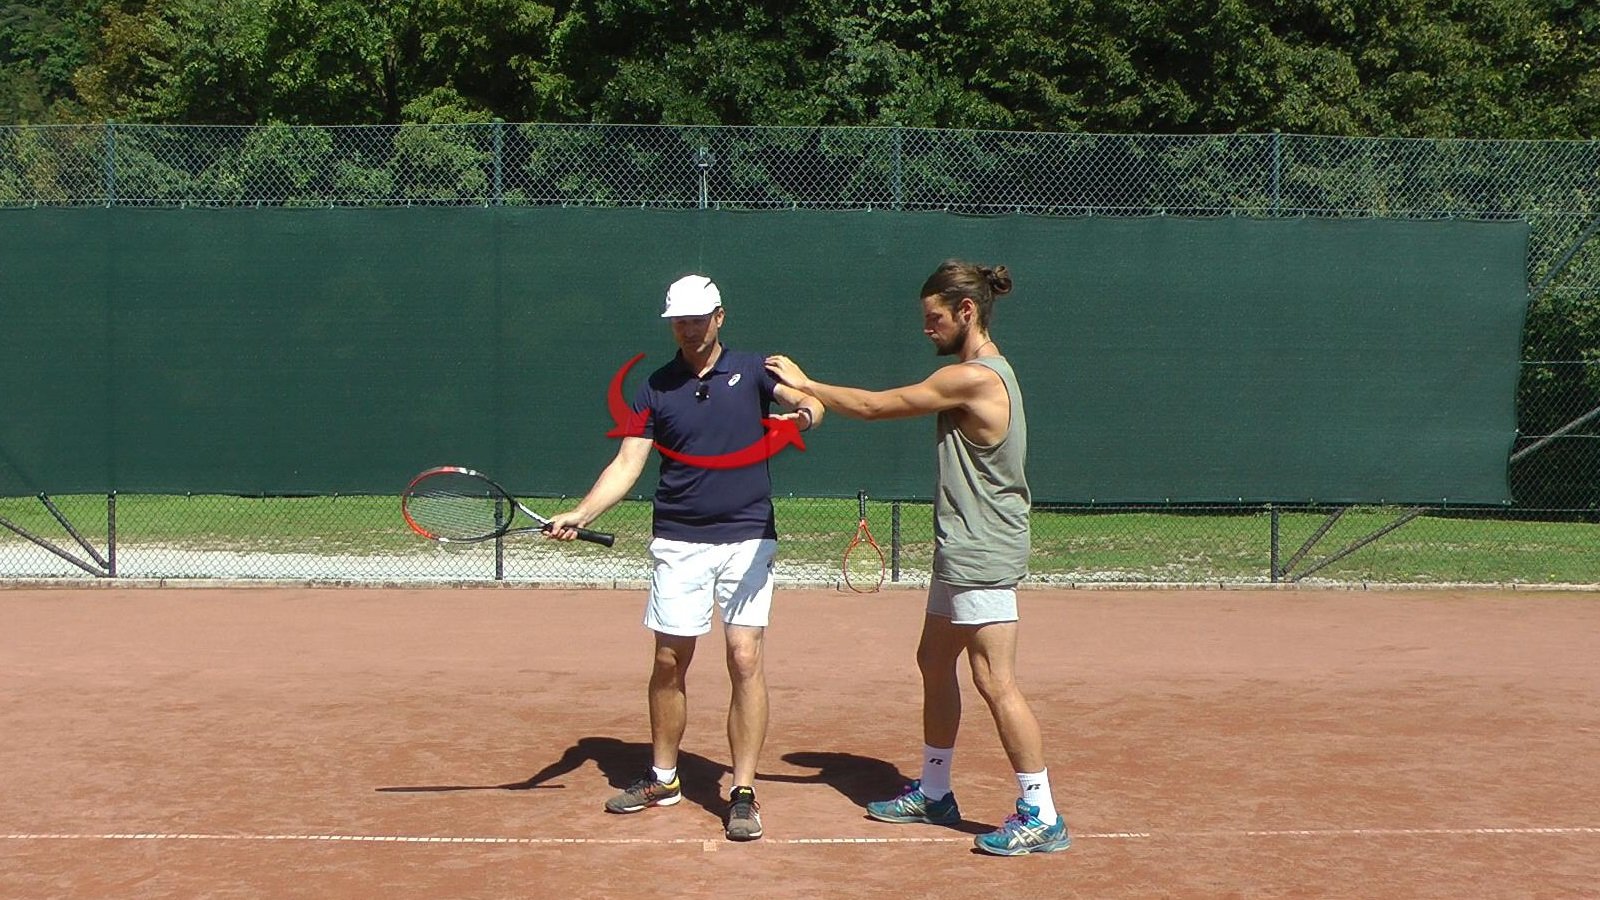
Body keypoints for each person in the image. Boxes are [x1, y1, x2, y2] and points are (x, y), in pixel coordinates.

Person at [764, 259, 1067, 857]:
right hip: (961, 548)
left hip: (983, 549)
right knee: (933, 660)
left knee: (994, 680)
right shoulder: (974, 373)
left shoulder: (977, 377)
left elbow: (876, 406)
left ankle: (1042, 813)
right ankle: (934, 791)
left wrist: (807, 384)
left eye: (935, 319)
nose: (927, 329)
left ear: (966, 312)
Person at [545, 273, 824, 842]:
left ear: (719, 317)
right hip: (678, 539)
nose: (689, 330)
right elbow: (628, 463)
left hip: (748, 537)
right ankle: (664, 778)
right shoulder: (655, 387)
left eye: (698, 320)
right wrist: (583, 513)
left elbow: (809, 402)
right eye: (680, 322)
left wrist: (802, 415)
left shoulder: (755, 369)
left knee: (744, 656)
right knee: (670, 661)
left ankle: (742, 792)